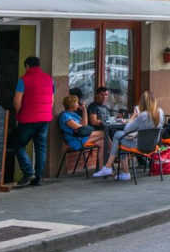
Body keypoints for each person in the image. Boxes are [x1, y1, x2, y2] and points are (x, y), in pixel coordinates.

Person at [92, 91, 163, 180]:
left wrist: (133, 116)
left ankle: (111, 168)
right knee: (120, 139)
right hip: (153, 145)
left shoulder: (142, 116)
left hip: (140, 146)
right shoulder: (160, 112)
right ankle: (114, 170)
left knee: (118, 136)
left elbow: (126, 130)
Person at [12, 56, 55, 187]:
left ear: (27, 66)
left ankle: (28, 172)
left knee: (18, 144)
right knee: (40, 148)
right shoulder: (50, 79)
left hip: (28, 118)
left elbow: (17, 100)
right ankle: (39, 178)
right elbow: (52, 100)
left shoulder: (23, 80)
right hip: (45, 119)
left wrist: (18, 112)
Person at [59, 95, 105, 166]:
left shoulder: (74, 114)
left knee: (103, 142)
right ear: (72, 104)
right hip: (75, 140)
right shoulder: (65, 115)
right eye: (76, 103)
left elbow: (84, 124)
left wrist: (84, 111)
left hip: (82, 137)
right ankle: (113, 156)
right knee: (104, 133)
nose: (78, 104)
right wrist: (84, 127)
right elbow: (79, 127)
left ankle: (103, 168)